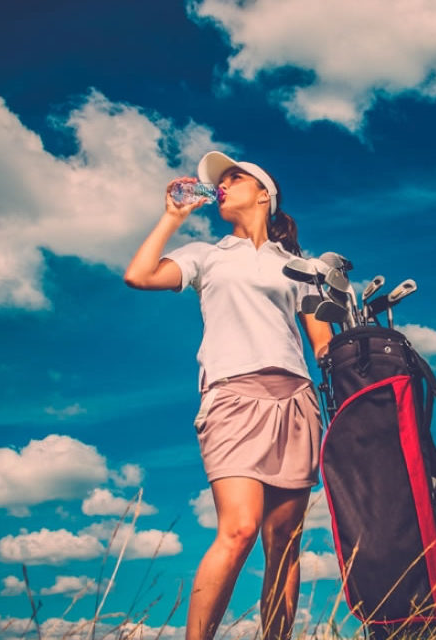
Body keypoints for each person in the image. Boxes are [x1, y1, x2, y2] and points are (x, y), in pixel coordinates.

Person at [123, 151, 332, 640]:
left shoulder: (302, 266)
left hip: (297, 403)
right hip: (232, 398)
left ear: (264, 194)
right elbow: (139, 275)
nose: (222, 184)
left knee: (284, 542)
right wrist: (172, 217)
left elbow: (322, 347)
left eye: (234, 177)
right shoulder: (204, 254)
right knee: (238, 530)